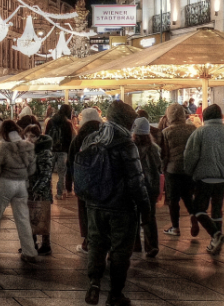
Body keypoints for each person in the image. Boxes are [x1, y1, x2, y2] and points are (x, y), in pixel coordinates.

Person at [76, 100, 149, 306]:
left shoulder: (92, 138)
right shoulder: (127, 144)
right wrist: (145, 208)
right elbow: (136, 180)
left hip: (95, 203)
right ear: (125, 121)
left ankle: (93, 285)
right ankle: (115, 294)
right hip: (121, 206)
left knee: (96, 245)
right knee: (120, 250)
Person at [0, 119, 37, 263]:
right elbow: (32, 169)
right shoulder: (27, 146)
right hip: (22, 185)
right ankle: (29, 251)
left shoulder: (0, 146)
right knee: (23, 218)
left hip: (5, 183)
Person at [183, 104, 224, 254]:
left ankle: (216, 235)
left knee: (198, 208)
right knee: (217, 209)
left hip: (204, 176)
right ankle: (215, 243)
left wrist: (189, 171)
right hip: (223, 177)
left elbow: (191, 155)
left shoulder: (199, 132)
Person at [67, 106, 102, 252]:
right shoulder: (104, 134)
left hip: (83, 181)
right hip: (102, 180)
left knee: (84, 210)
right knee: (101, 210)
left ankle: (87, 241)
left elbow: (71, 160)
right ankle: (100, 240)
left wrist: (69, 182)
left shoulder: (80, 137)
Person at [159, 103, 197, 236]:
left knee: (173, 199)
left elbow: (165, 153)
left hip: (172, 169)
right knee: (188, 196)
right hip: (188, 168)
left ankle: (175, 227)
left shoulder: (166, 132)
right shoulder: (192, 129)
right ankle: (193, 215)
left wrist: (163, 167)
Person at [131, 117, 161, 259]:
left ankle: (135, 244)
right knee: (150, 216)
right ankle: (152, 246)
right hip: (151, 186)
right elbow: (158, 167)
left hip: (136, 186)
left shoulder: (131, 147)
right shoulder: (154, 148)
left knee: (134, 216)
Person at [24, 123, 54, 256]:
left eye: (32, 136)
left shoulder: (44, 152)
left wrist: (38, 189)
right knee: (29, 217)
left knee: (42, 217)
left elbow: (46, 173)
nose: (29, 139)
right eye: (27, 136)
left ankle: (46, 244)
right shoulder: (27, 150)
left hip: (40, 191)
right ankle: (31, 243)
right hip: (28, 189)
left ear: (38, 137)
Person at [45, 103, 74, 200]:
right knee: (62, 174)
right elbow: (69, 139)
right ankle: (59, 193)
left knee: (48, 173)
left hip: (51, 150)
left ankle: (47, 193)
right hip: (63, 151)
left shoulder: (50, 121)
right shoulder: (67, 123)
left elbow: (46, 136)